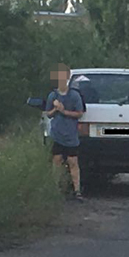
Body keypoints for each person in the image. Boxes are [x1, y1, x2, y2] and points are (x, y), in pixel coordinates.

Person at [46, 63, 85, 201]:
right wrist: (55, 110)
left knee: (73, 161)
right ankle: (55, 190)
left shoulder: (74, 95)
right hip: (57, 135)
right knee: (56, 162)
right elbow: (48, 114)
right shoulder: (53, 95)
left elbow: (79, 113)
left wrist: (64, 111)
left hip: (71, 136)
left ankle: (77, 191)